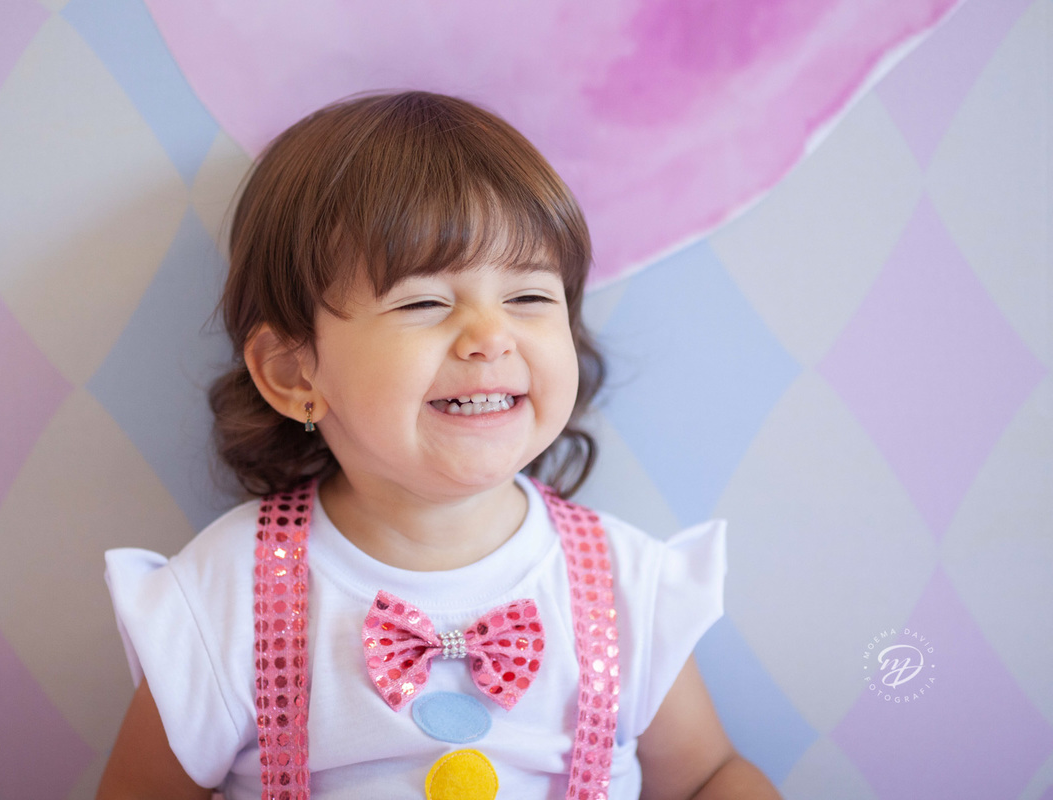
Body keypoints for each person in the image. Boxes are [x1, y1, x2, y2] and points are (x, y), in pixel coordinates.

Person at [96, 91, 780, 800]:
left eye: (530, 298)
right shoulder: (225, 595)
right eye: (424, 302)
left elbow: (708, 777)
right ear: (296, 371)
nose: (490, 335)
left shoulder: (625, 583)